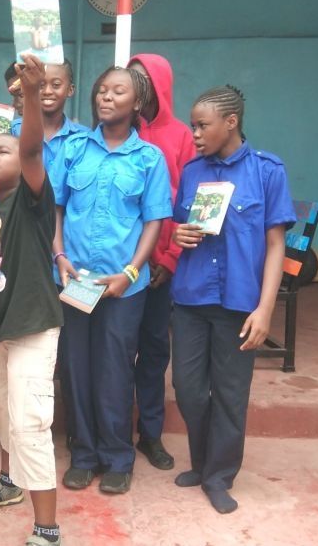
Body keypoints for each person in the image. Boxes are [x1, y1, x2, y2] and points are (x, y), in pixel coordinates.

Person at [170, 85, 295, 514]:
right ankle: (203, 460)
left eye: (202, 126)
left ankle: (218, 475)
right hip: (191, 298)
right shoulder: (192, 172)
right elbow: (181, 225)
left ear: (231, 122)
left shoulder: (267, 171)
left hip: (240, 305)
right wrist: (179, 234)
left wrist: (265, 309)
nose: (195, 134)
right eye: (192, 126)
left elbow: (275, 245)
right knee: (187, 388)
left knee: (229, 393)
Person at [0, 54, 65, 546]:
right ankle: (8, 482)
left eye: (2, 150)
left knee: (29, 424)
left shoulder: (31, 201)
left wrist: (31, 93)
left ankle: (47, 529)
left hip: (31, 328)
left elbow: (32, 148)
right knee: (4, 418)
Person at [52, 66, 172, 495]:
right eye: (101, 90)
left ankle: (118, 457)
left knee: (115, 371)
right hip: (76, 281)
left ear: (137, 102)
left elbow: (154, 221)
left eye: (118, 91)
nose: (105, 97)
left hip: (123, 286)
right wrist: (60, 257)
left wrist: (130, 273)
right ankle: (84, 455)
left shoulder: (149, 158)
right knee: (76, 368)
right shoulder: (74, 149)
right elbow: (56, 209)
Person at [126, 54, 196, 470]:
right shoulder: (120, 130)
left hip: (161, 269)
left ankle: (150, 434)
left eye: (142, 80)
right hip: (123, 266)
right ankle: (113, 431)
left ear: (158, 86)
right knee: (117, 351)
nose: (134, 88)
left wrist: (168, 259)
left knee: (153, 352)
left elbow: (187, 201)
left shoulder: (181, 135)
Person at [11, 60, 87, 170]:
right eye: (41, 85)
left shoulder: (84, 137)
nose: (47, 91)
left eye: (56, 85)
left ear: (70, 90)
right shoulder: (12, 131)